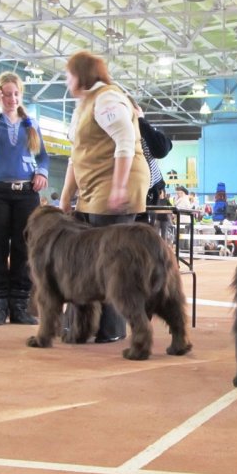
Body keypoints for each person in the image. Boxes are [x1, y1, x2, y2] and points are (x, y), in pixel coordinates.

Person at [59, 50, 149, 344]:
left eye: (69, 74)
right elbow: (77, 155)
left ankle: (111, 328)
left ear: (82, 75)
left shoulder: (107, 99)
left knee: (110, 260)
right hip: (94, 188)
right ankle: (85, 326)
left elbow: (125, 142)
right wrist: (64, 197)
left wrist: (119, 187)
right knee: (88, 258)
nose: (66, 79)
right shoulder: (84, 104)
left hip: (113, 187)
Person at [0, 71, 49, 325]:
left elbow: (44, 157)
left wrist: (42, 173)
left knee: (23, 249)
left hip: (27, 194)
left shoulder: (31, 124)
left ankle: (19, 306)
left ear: (20, 95)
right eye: (6, 94)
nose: (11, 98)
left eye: (15, 94)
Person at [126, 95, 172, 225]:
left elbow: (161, 149)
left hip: (150, 195)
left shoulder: (145, 132)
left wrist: (140, 120)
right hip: (129, 194)